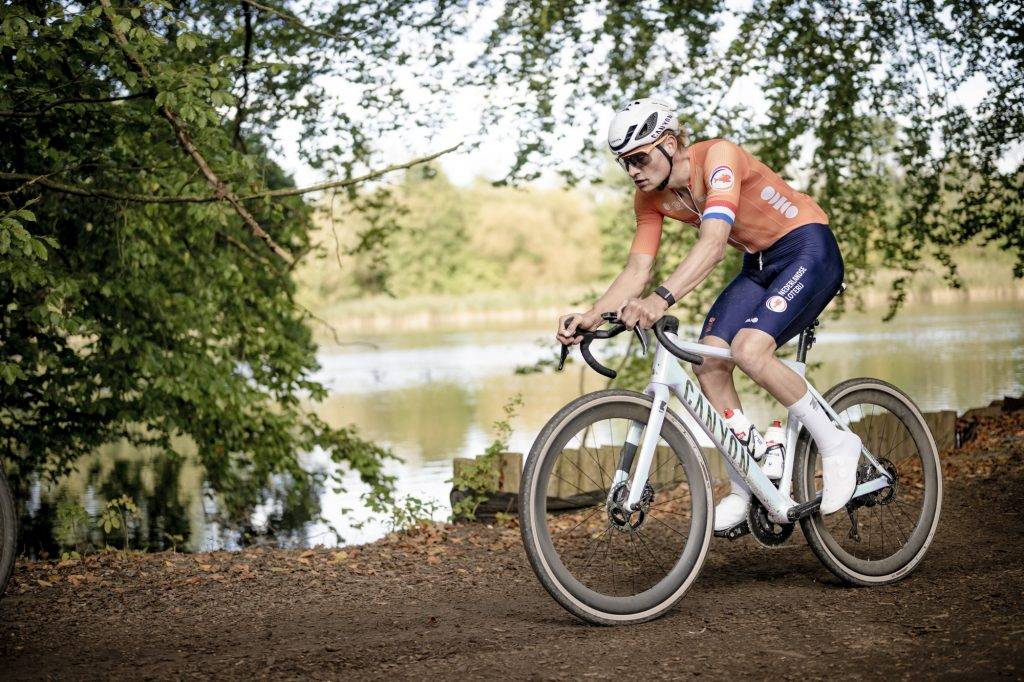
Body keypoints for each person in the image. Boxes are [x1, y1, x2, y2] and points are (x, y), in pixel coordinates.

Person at [556, 98, 861, 532]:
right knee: (709, 362)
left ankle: (837, 444)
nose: (634, 172)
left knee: (750, 350)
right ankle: (747, 485)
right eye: (624, 164)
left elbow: (714, 242)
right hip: (759, 264)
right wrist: (592, 315)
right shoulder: (649, 199)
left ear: (668, 142)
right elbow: (637, 269)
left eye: (639, 158)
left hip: (807, 247)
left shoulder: (719, 157)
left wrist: (660, 301)